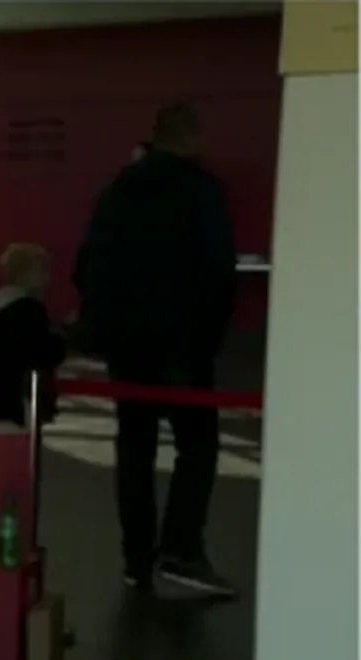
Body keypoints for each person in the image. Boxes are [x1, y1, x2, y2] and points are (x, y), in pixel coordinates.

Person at [73, 103, 237, 597]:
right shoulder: (200, 189)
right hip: (182, 343)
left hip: (128, 344)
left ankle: (137, 559)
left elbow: (87, 263)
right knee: (198, 444)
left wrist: (103, 326)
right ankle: (181, 550)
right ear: (192, 136)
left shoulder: (118, 189)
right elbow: (217, 268)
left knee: (135, 447)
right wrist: (208, 336)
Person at [0, 243, 65, 426]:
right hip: (26, 392)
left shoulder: (0, 305)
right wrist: (60, 341)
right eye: (42, 271)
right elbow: (41, 351)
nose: (47, 278)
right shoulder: (29, 309)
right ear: (25, 273)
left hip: (3, 391)